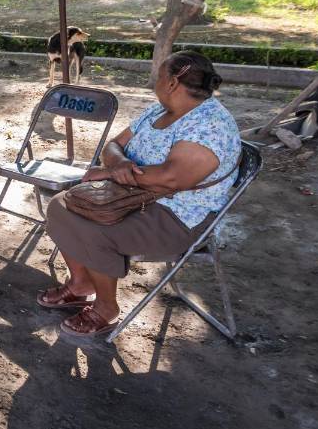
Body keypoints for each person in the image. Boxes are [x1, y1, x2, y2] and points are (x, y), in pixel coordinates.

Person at [39, 50, 242, 338]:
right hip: (130, 196)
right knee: (61, 205)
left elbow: (172, 179)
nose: (155, 82)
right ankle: (81, 283)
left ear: (172, 83)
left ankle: (106, 308)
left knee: (94, 229)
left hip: (177, 215)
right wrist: (119, 163)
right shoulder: (158, 110)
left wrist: (112, 173)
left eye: (159, 76)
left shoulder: (210, 125)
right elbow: (114, 145)